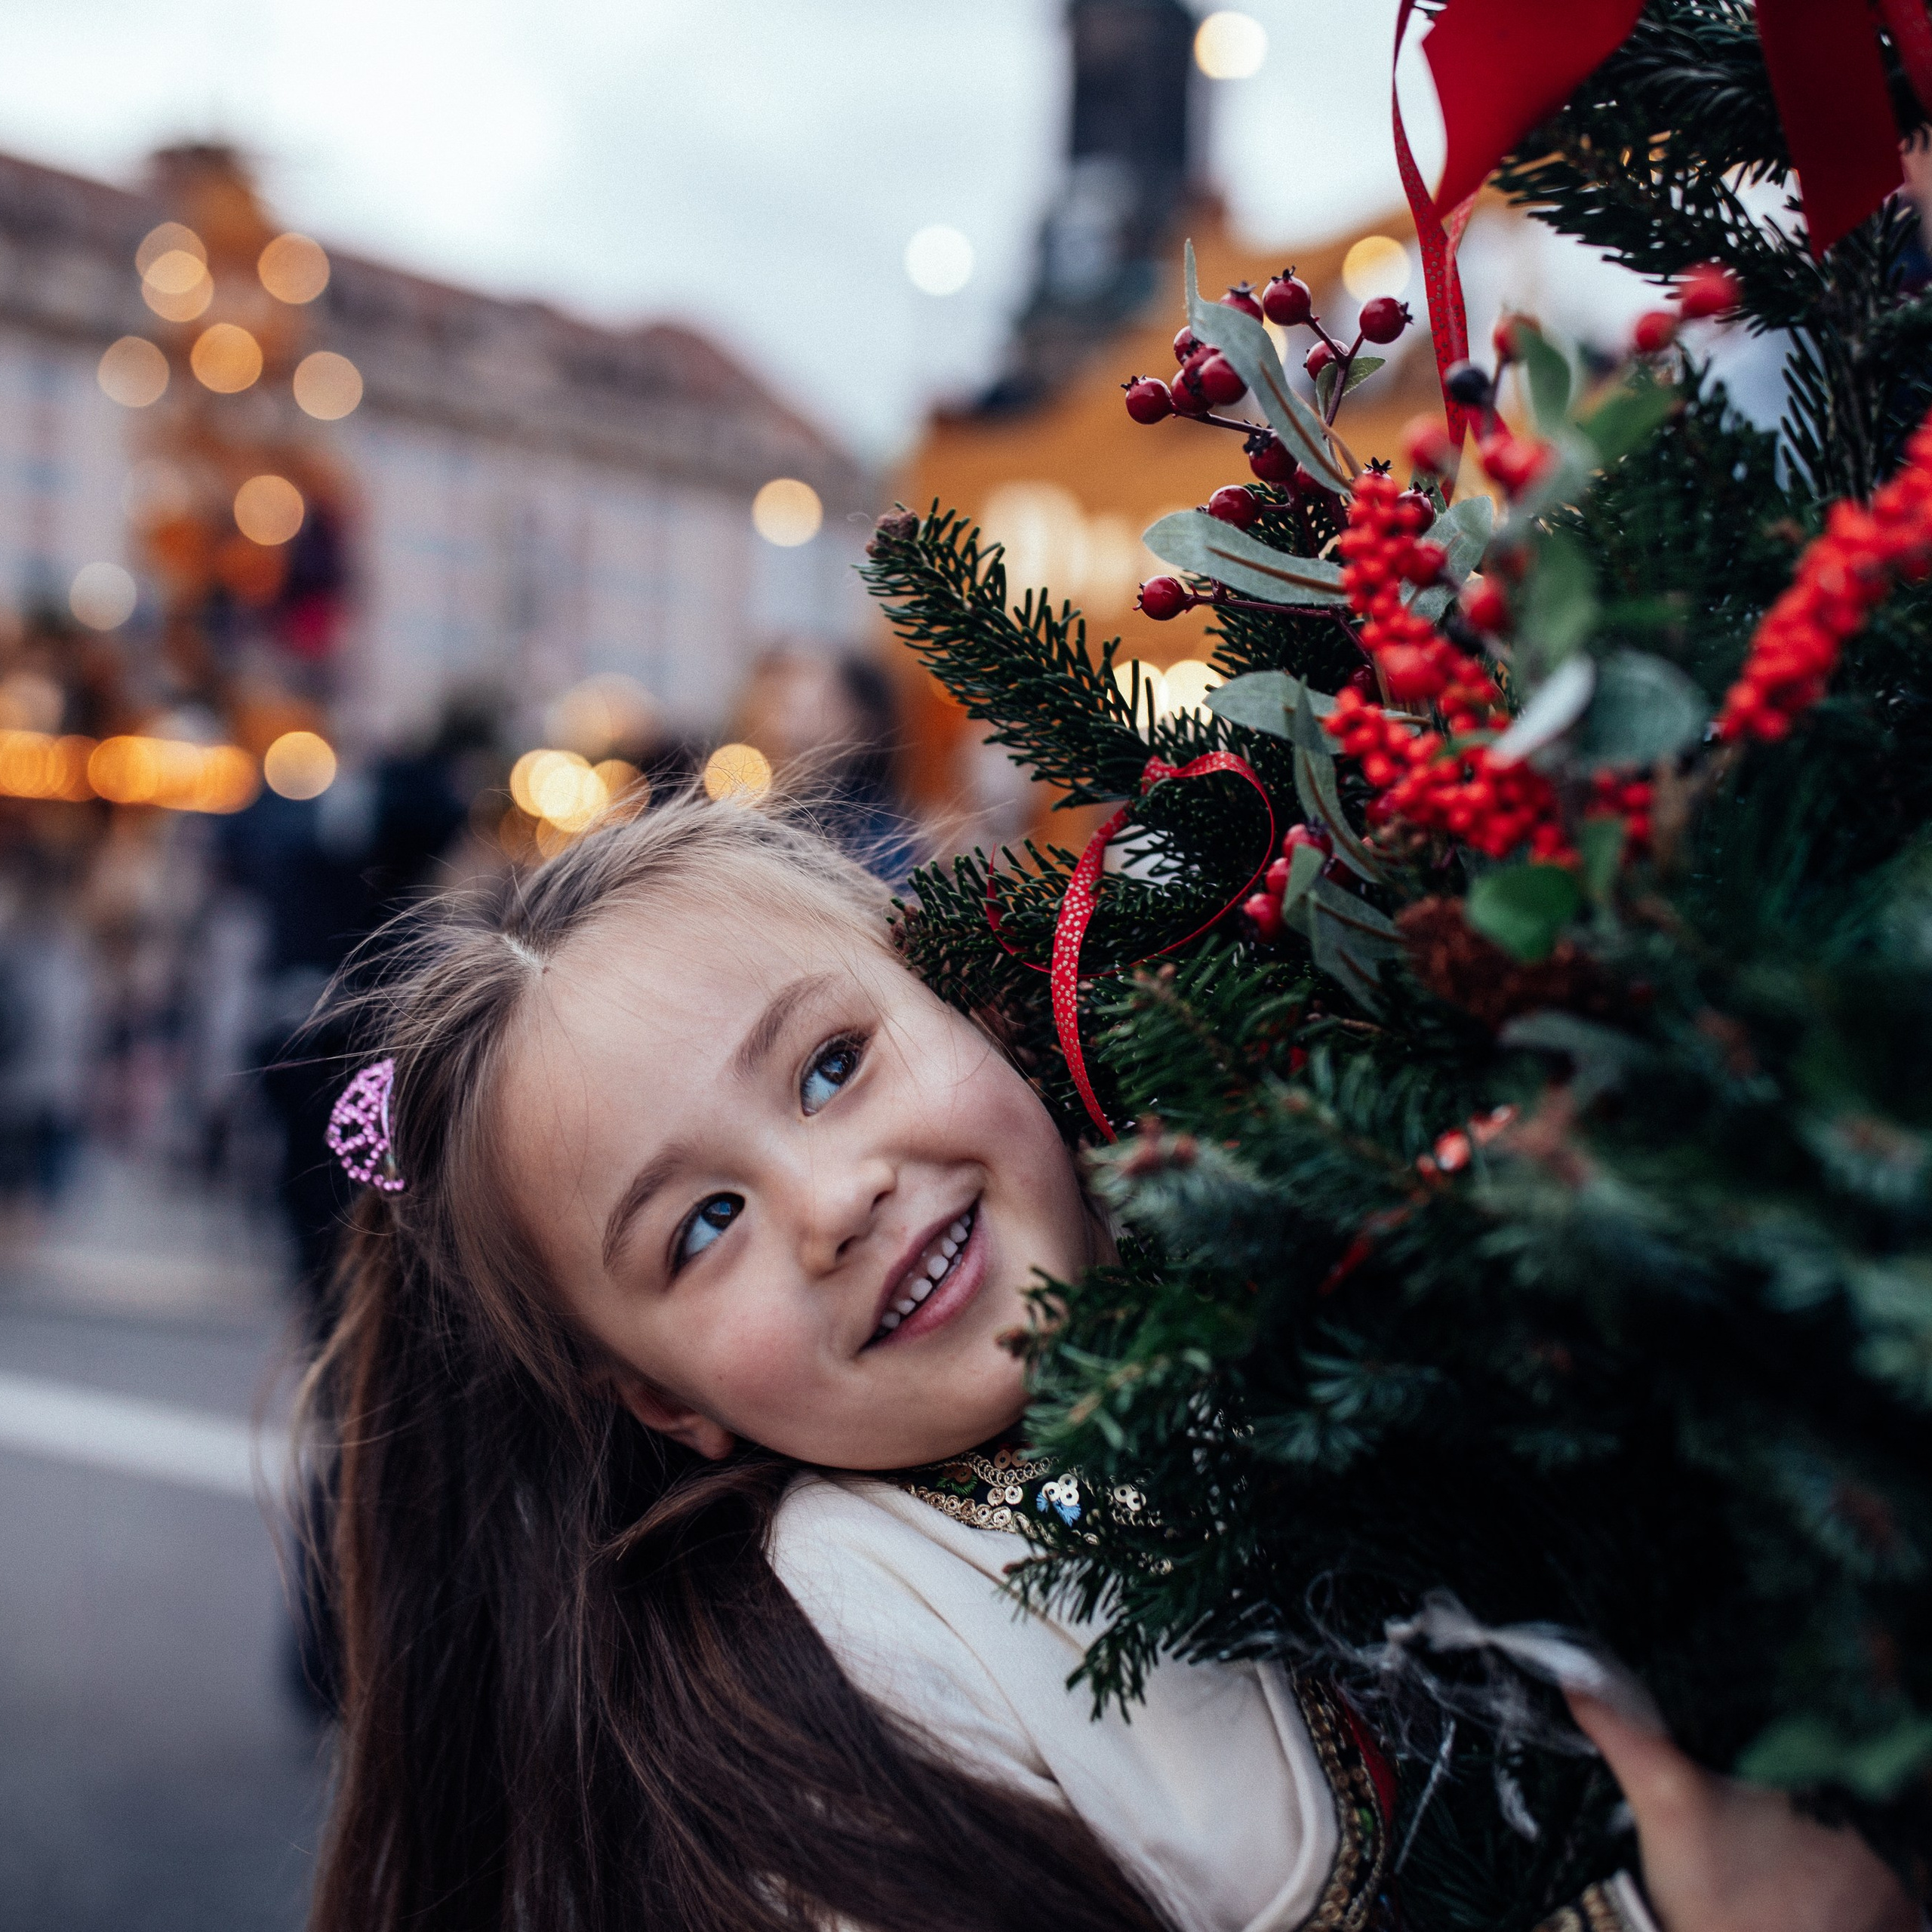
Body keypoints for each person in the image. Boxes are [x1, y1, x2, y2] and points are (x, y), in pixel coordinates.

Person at [300, 789, 1918, 1932]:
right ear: (665, 1398)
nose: (832, 1196)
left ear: (976, 1005)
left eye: (832, 1064)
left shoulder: (1289, 1245)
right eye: (702, 1221)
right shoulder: (856, 1654)